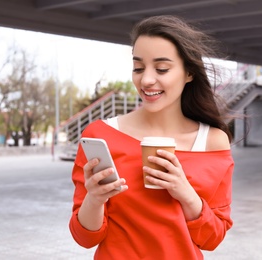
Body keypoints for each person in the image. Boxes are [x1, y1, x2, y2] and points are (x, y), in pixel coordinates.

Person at [69, 15, 234, 259]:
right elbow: (85, 238)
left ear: (189, 73)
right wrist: (94, 200)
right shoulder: (100, 135)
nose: (146, 80)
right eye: (138, 67)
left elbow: (212, 239)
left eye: (162, 69)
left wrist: (185, 193)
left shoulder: (212, 141)